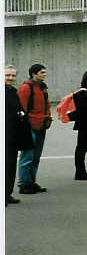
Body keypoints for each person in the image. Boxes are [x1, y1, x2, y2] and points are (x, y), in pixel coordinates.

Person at [17, 63, 51, 195]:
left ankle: (31, 181)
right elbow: (21, 109)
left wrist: (47, 116)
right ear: (34, 74)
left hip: (41, 126)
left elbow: (46, 104)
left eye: (44, 72)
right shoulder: (26, 88)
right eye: (42, 72)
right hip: (30, 127)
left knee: (36, 156)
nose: (44, 74)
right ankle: (24, 184)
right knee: (28, 157)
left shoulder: (43, 87)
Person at [5, 66, 31, 205]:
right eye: (7, 75)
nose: (10, 78)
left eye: (13, 76)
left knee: (10, 166)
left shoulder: (13, 92)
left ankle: (7, 193)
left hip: (12, 136)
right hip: (5, 136)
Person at [70, 70, 87, 180]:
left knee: (81, 148)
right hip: (86, 124)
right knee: (82, 148)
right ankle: (80, 172)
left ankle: (80, 171)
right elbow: (85, 110)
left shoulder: (80, 91)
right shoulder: (84, 92)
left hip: (82, 124)